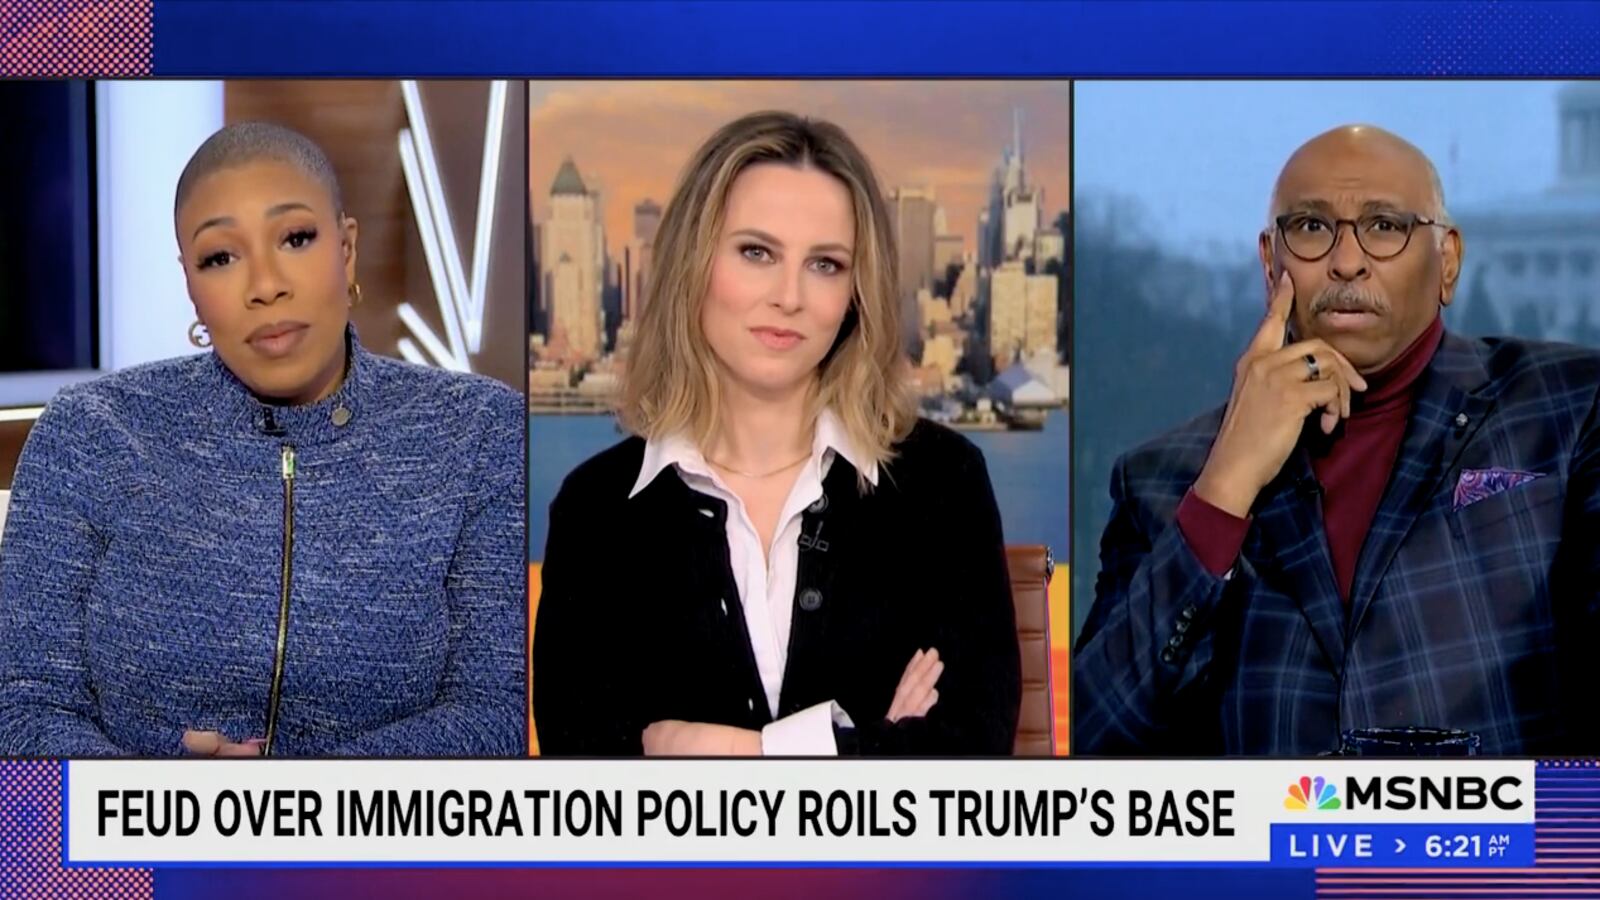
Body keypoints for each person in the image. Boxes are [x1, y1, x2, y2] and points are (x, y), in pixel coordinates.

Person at [0, 122, 526, 757]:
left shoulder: (478, 432)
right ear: (190, 284)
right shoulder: (89, 432)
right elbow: (25, 708)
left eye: (296, 238)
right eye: (220, 257)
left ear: (347, 249)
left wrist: (282, 811)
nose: (266, 285)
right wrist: (166, 803)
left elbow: (491, 715)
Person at [1075, 124, 1600, 756]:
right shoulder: (1161, 478)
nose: (1347, 262)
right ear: (1271, 264)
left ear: (1448, 262)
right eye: (1312, 228)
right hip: (1270, 850)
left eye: (1384, 226)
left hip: (1499, 847)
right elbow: (1094, 746)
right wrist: (1226, 487)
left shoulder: (1569, 407)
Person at [532, 111, 1020, 756]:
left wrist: (736, 751)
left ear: (856, 292)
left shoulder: (941, 480)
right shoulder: (597, 507)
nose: (789, 296)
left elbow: (969, 754)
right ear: (693, 262)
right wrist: (875, 742)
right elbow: (585, 764)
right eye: (756, 252)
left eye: (825, 264)